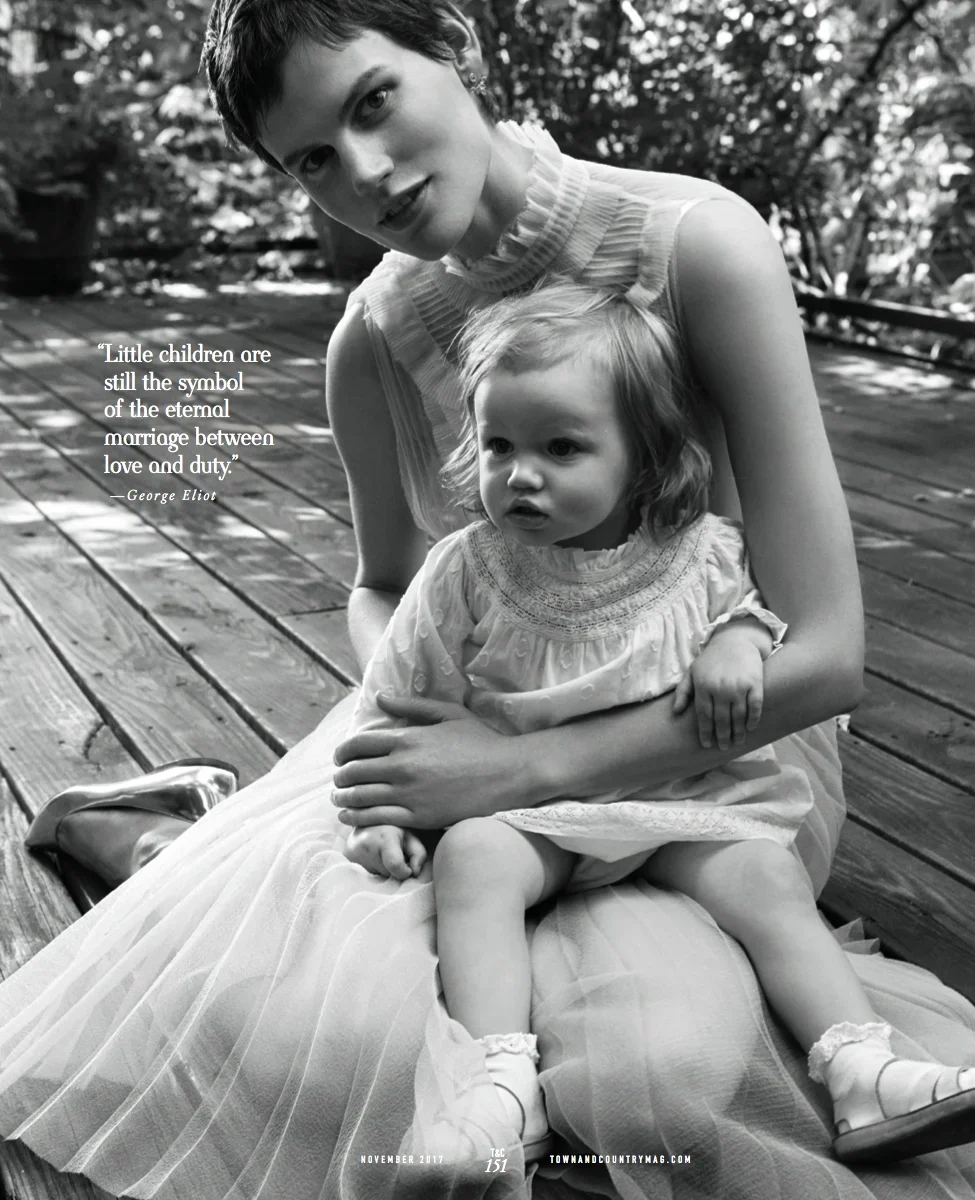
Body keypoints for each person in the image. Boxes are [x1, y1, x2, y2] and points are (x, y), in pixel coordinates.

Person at [2, 2, 974, 1197]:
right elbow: (384, 592)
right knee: (300, 1031)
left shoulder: (697, 243)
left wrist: (513, 770)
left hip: (713, 739)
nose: (363, 175)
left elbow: (824, 658)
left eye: (372, 103)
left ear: (455, 51)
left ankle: (185, 831)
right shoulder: (373, 342)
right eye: (313, 160)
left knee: (664, 1077)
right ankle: (179, 838)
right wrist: (431, 720)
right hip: (476, 713)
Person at [340, 280, 975, 1167]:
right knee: (472, 858)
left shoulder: (701, 551)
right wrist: (377, 816)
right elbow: (389, 703)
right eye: (497, 445)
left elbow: (767, 613)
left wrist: (743, 638)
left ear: (642, 456)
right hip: (533, 817)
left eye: (561, 447)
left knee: (762, 873)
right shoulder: (466, 570)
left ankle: (861, 1068)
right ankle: (496, 1088)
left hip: (681, 803)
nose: (520, 474)